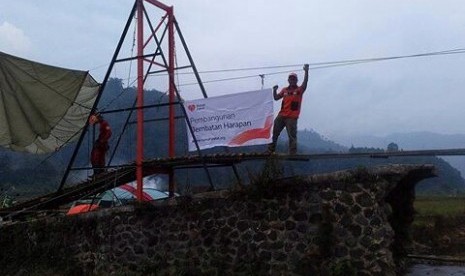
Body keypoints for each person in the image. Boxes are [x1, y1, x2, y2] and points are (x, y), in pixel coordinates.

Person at [268, 64, 309, 154]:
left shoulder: (299, 90)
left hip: (292, 117)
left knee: (292, 135)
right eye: (291, 79)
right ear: (288, 80)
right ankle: (270, 150)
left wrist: (306, 71)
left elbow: (305, 84)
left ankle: (292, 152)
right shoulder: (284, 90)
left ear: (296, 80)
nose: (292, 80)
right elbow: (276, 98)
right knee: (275, 132)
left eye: (294, 79)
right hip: (281, 115)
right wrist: (274, 90)